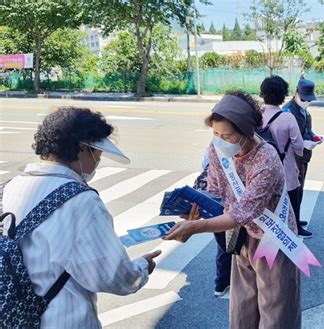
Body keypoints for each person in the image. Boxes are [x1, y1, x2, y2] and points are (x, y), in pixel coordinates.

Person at [1, 107, 161, 328]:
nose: (97, 162)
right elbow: (113, 276)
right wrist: (142, 268)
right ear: (82, 149)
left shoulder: (8, 188)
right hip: (63, 319)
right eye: (97, 154)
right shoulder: (81, 201)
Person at [165, 90, 301, 328]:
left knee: (276, 309)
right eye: (215, 133)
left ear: (246, 133)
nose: (218, 141)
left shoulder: (266, 159)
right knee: (243, 304)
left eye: (226, 136)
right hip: (240, 235)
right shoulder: (217, 149)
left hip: (274, 238)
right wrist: (196, 208)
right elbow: (215, 190)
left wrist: (197, 227)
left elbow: (244, 211)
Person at [260, 76, 310, 238]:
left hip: (262, 170)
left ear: (263, 94)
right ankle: (292, 231)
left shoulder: (255, 116)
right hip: (286, 170)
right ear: (283, 95)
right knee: (291, 204)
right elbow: (298, 146)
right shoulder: (288, 117)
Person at [193, 147, 231, 297]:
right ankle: (224, 283)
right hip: (225, 207)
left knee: (224, 246)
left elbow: (204, 168)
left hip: (216, 206)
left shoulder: (213, 147)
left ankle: (221, 283)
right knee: (230, 246)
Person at [283, 78, 319, 235]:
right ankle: (294, 223)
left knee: (300, 189)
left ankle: (296, 218)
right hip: (293, 157)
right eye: (304, 99)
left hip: (303, 156)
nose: (306, 102)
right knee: (293, 191)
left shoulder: (304, 112)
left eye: (308, 99)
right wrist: (303, 143)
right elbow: (286, 137)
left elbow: (306, 131)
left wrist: (315, 137)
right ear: (296, 94)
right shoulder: (288, 111)